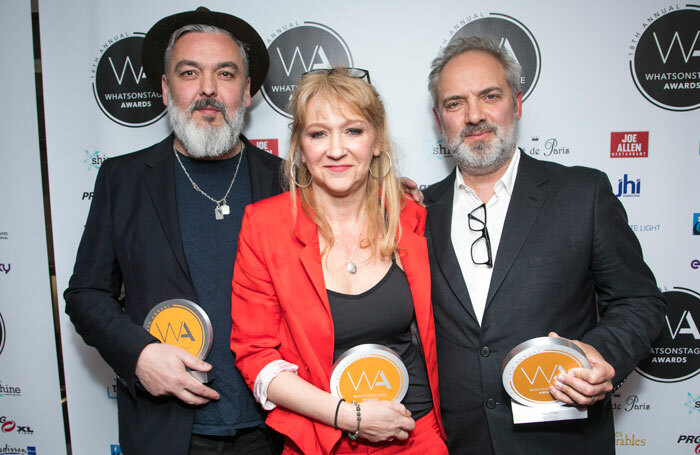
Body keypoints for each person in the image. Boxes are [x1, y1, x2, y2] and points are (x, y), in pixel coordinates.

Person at [422, 36, 666, 454]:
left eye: (490, 96)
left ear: (517, 104)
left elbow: (639, 301)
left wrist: (599, 354)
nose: (475, 116)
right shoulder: (417, 212)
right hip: (459, 445)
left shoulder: (582, 193)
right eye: (455, 103)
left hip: (562, 441)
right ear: (439, 118)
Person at [64, 8, 284, 455]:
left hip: (276, 430)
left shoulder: (288, 180)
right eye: (189, 72)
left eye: (225, 73)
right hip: (168, 432)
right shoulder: (122, 180)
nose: (208, 89)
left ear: (246, 92)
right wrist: (139, 354)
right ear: (166, 90)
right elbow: (86, 293)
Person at [229, 68, 448, 455]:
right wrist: (350, 417)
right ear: (299, 145)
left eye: (353, 131)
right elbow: (257, 358)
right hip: (322, 440)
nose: (335, 150)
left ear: (376, 140)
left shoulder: (411, 218)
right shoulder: (264, 227)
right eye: (318, 133)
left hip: (417, 436)